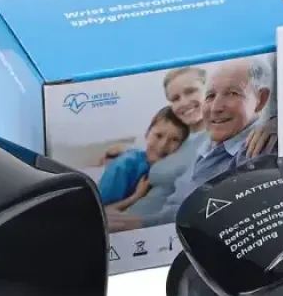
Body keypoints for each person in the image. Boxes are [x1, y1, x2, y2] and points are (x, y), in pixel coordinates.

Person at [106, 57, 272, 231]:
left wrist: (272, 123)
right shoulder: (182, 137)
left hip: (151, 228)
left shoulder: (225, 139)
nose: (183, 103)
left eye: (191, 91)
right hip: (128, 219)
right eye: (175, 98)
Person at [97, 106, 189, 208]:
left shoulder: (173, 170)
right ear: (147, 133)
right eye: (158, 135)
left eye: (174, 139)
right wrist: (136, 196)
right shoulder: (123, 166)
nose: (163, 145)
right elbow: (99, 211)